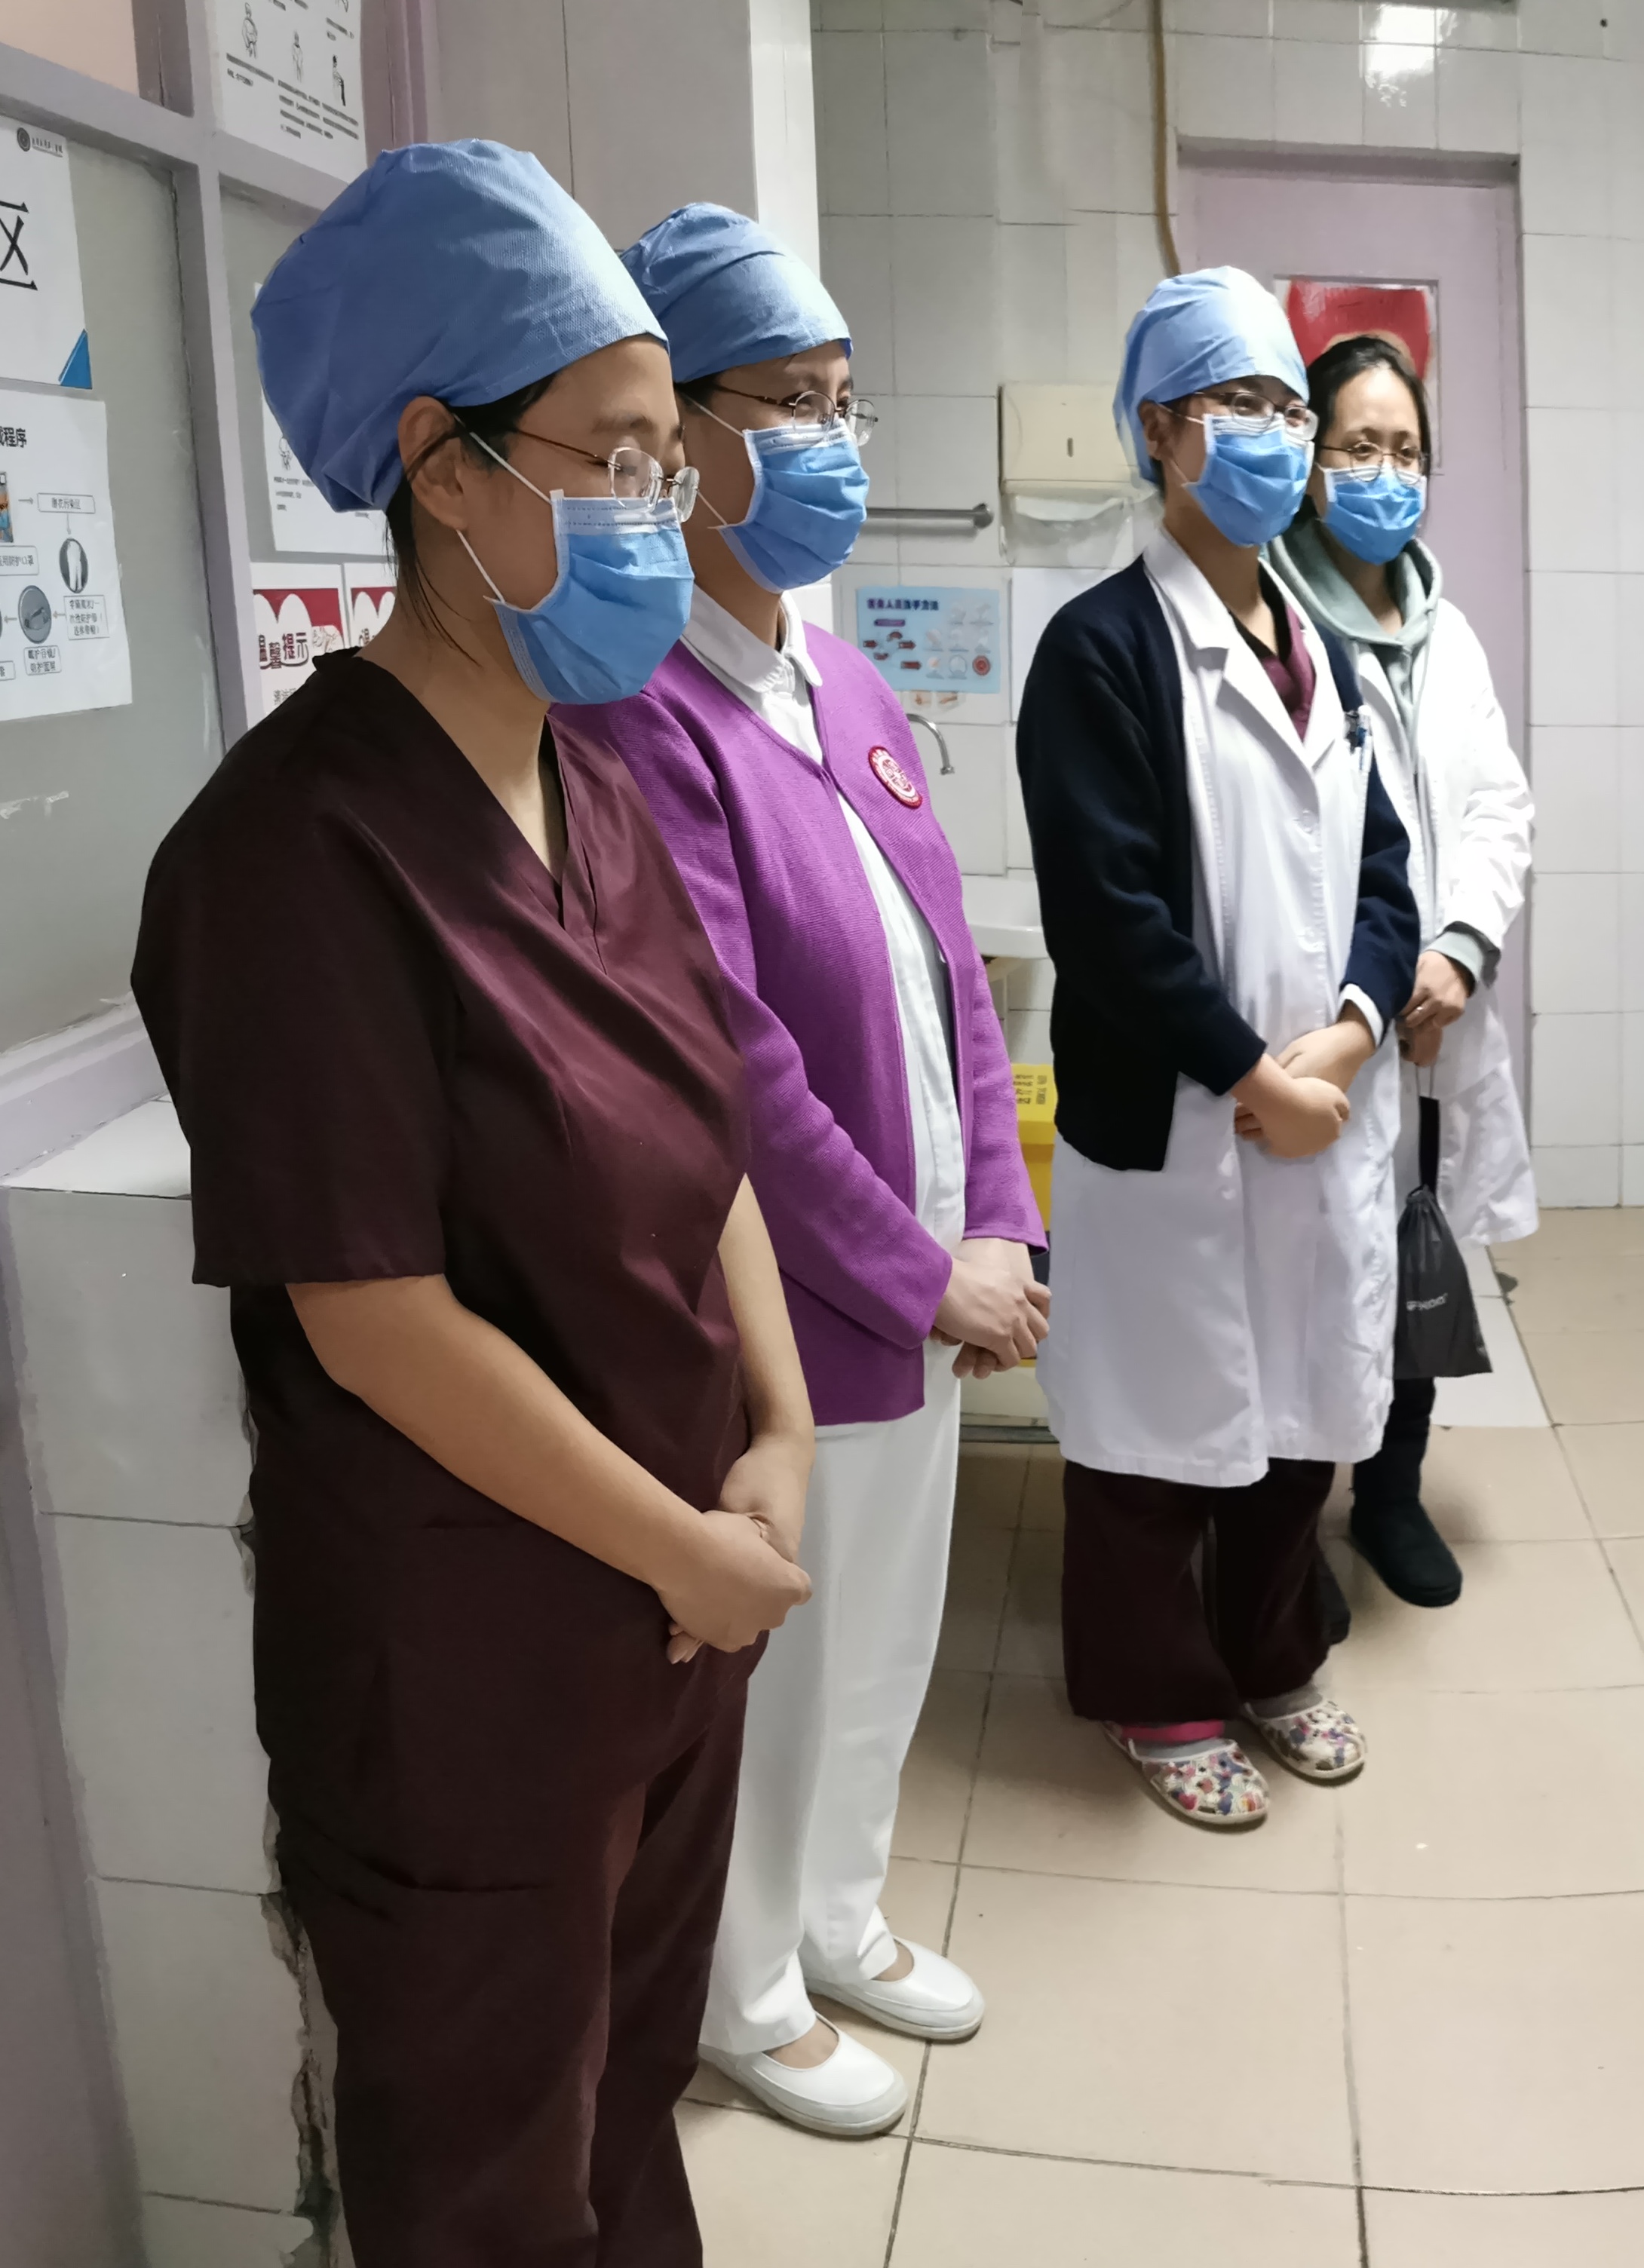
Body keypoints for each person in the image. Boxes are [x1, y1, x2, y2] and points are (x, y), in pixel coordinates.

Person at [133, 141, 815, 2265]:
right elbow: (374, 1318)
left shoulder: (592, 771)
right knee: (487, 2169)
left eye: (667, 457)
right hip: (473, 1671)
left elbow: (705, 1127)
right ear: (443, 467)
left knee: (628, 2099)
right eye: (614, 458)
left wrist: (781, 1428)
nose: (662, 506)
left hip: (677, 1606)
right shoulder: (288, 857)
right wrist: (685, 1547)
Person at [562, 203, 1041, 2135]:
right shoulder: (636, 716)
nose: (834, 441)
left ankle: (839, 1918)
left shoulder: (848, 690)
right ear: (677, 434)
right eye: (792, 402)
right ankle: (742, 1988)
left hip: (932, 1291)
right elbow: (738, 1066)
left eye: (849, 401)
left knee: (891, 1642)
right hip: (804, 1314)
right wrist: (918, 1271)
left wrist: (999, 1223)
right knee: (782, 1665)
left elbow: (957, 982)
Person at [1015, 268, 1416, 1828]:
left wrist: (1354, 1040)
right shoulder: (1100, 650)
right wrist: (1257, 1077)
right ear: (1163, 431)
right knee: (1154, 1435)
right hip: (1181, 1127)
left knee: (1299, 1418)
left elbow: (1387, 877)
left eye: (1288, 409)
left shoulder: (1329, 654)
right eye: (1239, 403)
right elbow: (1109, 920)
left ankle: (1272, 1658)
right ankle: (1157, 1691)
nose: (1276, 433)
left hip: (1316, 1112)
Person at [1260, 327, 1533, 1614]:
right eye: (1360, 446)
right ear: (1311, 463)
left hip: (1441, 1016)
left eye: (1407, 450)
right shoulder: (1272, 624)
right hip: (1330, 1021)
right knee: (1315, 1271)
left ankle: (1390, 1496)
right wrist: (1376, 990)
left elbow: (1497, 811)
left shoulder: (1450, 635)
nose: (1385, 472)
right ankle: (1286, 1533)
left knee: (1418, 1255)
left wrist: (1460, 952)